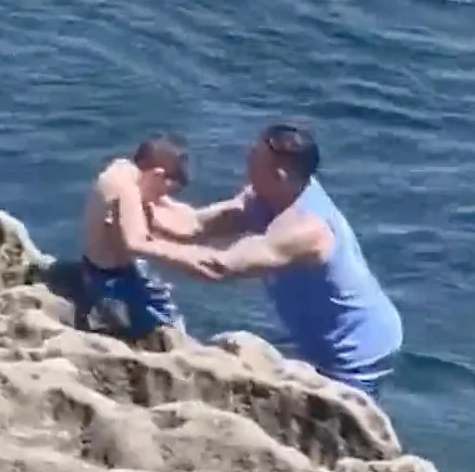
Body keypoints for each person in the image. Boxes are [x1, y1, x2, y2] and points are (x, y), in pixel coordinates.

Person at [145, 121, 404, 398]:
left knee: (341, 431)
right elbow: (195, 225)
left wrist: (142, 245)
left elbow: (219, 266)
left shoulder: (305, 228)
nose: (246, 163)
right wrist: (144, 201)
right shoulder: (264, 197)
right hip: (319, 339)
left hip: (356, 350)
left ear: (279, 174)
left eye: (253, 159)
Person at [77, 135, 204, 340]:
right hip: (110, 279)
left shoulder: (121, 171)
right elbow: (131, 241)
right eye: (169, 189)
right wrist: (187, 259)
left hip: (94, 265)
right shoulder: (128, 191)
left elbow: (163, 209)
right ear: (158, 174)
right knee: (168, 318)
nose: (164, 197)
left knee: (154, 281)